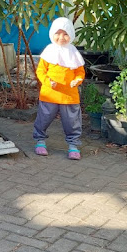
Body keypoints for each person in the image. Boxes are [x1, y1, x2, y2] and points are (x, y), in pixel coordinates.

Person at [33, 17, 85, 160]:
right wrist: (48, 82)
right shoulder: (48, 51)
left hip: (69, 96)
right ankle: (40, 141)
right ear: (52, 33)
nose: (61, 37)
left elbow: (80, 72)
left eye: (65, 33)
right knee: (44, 118)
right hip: (49, 94)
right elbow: (40, 72)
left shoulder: (74, 53)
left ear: (71, 35)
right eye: (58, 33)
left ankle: (73, 146)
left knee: (72, 122)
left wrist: (77, 80)